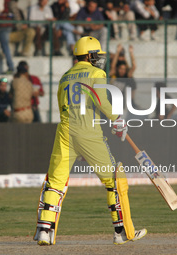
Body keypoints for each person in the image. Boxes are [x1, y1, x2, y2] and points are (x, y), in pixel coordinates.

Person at [34, 36, 147, 246]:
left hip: (65, 132)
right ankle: (122, 232)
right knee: (115, 180)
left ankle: (44, 231)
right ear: (89, 55)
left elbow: (62, 107)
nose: (99, 59)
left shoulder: (65, 76)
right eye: (96, 55)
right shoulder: (96, 73)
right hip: (89, 132)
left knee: (55, 183)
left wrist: (78, 147)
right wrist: (117, 120)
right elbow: (101, 100)